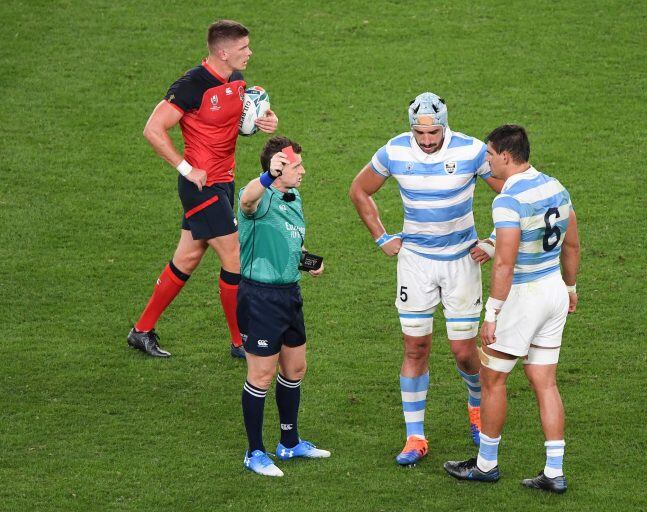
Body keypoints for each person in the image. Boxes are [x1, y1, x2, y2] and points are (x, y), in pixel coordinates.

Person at [349, 92, 504, 466]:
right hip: (415, 263)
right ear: (412, 129)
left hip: (461, 261)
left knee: (464, 352)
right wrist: (382, 237)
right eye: (421, 134)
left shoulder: (471, 150)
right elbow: (359, 190)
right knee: (415, 349)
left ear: (444, 125)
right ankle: (415, 436)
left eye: (433, 133)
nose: (428, 141)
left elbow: (512, 191)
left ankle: (475, 406)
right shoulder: (394, 151)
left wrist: (494, 240)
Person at [127, 20, 278, 359]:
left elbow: (236, 120)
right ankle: (241, 342)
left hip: (225, 182)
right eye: (243, 49)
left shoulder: (236, 80)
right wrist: (185, 167)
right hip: (201, 186)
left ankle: (141, 331)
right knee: (234, 256)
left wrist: (265, 122)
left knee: (189, 256)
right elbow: (153, 129)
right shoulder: (191, 85)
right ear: (223, 52)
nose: (249, 52)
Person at [443, 124, 581, 494]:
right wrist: (570, 287)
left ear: (505, 156)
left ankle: (486, 464)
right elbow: (572, 245)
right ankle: (554, 471)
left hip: (523, 297)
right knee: (545, 382)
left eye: (489, 155)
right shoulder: (555, 186)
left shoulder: (508, 199)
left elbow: (504, 262)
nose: (486, 161)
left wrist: (491, 314)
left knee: (493, 379)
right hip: (553, 290)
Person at [238, 136, 329, 477]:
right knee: (261, 375)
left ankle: (288, 444)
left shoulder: (294, 196)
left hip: (289, 293)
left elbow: (292, 241)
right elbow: (246, 202)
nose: (303, 171)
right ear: (277, 168)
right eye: (296, 166)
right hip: (260, 297)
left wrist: (307, 262)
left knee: (295, 370)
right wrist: (265, 178)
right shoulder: (259, 199)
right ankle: (254, 452)